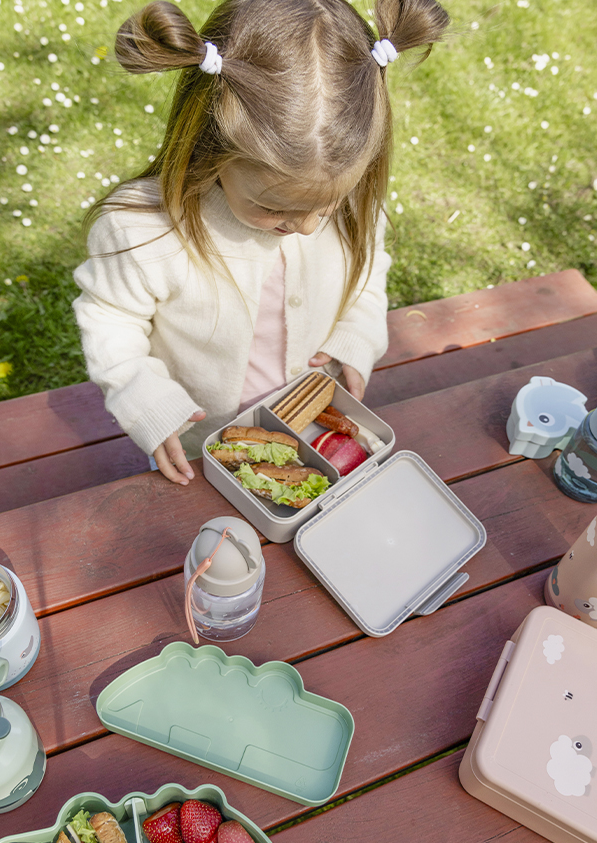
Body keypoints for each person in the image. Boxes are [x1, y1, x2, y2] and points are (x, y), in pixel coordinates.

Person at [73, 0, 450, 485]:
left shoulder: (347, 193)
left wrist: (357, 335)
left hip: (308, 424)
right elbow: (110, 318)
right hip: (192, 442)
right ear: (211, 146)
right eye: (273, 208)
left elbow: (368, 269)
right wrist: (145, 400)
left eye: (325, 208)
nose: (308, 227)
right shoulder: (143, 228)